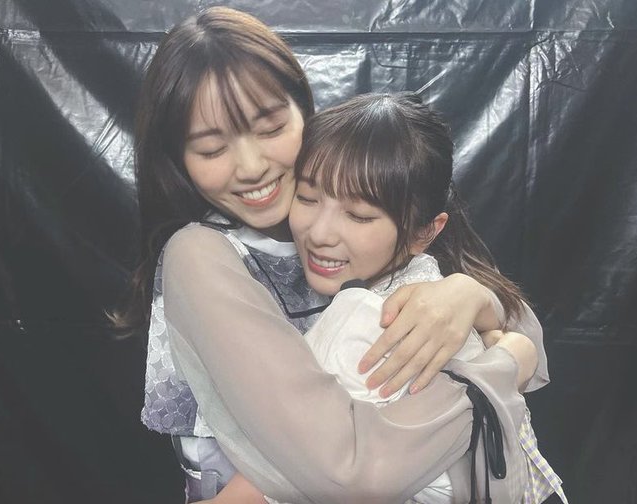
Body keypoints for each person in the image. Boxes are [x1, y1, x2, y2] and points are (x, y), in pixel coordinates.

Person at [114, 7, 549, 503]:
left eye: (271, 128)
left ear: (305, 110)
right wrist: (501, 368)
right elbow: (349, 472)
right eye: (212, 149)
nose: (251, 166)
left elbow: (531, 342)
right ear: (178, 160)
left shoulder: (365, 198)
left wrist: (469, 295)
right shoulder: (202, 255)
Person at [203, 93, 565, 504]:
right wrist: (507, 349)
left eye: (358, 215)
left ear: (424, 232)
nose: (320, 233)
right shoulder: (429, 276)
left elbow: (282, 472)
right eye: (307, 197)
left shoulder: (364, 317)